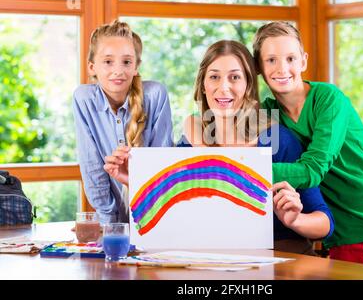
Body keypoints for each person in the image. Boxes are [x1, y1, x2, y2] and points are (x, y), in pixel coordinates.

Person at [105, 40, 334, 255]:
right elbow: (175, 211)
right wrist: (131, 178)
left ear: (248, 85)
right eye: (214, 77)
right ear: (203, 85)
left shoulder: (277, 140)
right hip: (214, 259)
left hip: (278, 261)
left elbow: (325, 223)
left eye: (235, 77)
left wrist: (294, 220)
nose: (224, 88)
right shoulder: (191, 142)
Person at [252, 21, 363, 272]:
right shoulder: (269, 113)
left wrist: (246, 173)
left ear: (303, 61)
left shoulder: (328, 99)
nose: (282, 68)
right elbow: (228, 131)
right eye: (271, 60)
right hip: (343, 229)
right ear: (259, 66)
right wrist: (196, 124)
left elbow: (313, 170)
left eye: (290, 58)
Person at [73, 20, 173, 224]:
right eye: (108, 62)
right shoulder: (84, 99)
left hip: (154, 213)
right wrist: (110, 225)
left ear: (136, 66)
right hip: (108, 222)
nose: (118, 70)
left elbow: (161, 164)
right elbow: (91, 166)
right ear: (92, 67)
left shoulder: (155, 95)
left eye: (126, 62)